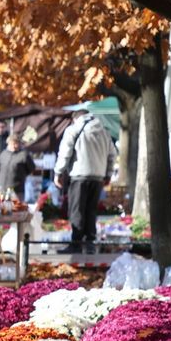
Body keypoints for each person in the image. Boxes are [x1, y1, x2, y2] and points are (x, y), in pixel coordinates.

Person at [55, 107, 115, 253]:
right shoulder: (104, 131)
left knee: (77, 210)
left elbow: (65, 153)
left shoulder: (73, 129)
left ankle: (75, 244)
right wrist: (107, 174)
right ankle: (90, 244)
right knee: (91, 210)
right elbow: (112, 154)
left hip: (79, 175)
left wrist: (58, 172)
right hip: (98, 177)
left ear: (75, 118)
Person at [0, 133, 36, 199]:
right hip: (1, 188)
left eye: (16, 144)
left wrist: (22, 174)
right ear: (8, 144)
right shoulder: (3, 154)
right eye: (12, 144)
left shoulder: (24, 155)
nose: (14, 146)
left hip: (16, 190)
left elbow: (31, 168)